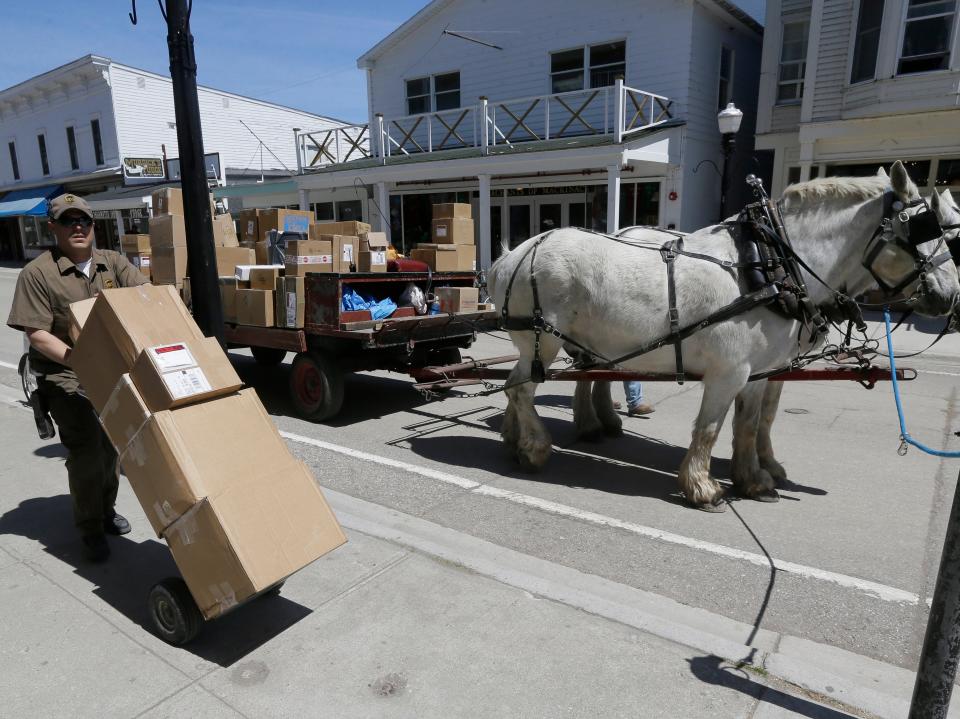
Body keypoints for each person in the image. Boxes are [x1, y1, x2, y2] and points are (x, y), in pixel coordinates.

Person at [7, 193, 149, 562]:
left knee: (113, 447)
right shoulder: (38, 273)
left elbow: (145, 297)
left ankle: (105, 508)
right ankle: (90, 527)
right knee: (87, 449)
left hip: (114, 370)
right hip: (64, 373)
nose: (78, 227)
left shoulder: (113, 263)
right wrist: (79, 359)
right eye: (69, 222)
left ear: (93, 225)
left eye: (84, 220)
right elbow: (36, 334)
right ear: (52, 227)